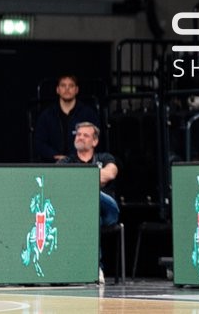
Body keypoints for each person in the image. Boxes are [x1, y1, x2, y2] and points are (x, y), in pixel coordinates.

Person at [58, 121, 119, 284]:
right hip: (81, 214)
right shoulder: (66, 162)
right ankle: (94, 268)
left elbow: (110, 174)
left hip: (108, 210)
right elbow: (59, 182)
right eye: (78, 134)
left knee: (93, 195)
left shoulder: (105, 158)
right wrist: (93, 180)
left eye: (86, 135)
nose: (81, 137)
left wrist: (79, 183)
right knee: (92, 217)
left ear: (95, 141)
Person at [33, 75, 100, 162]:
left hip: (82, 163)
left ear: (76, 90)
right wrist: (55, 155)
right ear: (57, 90)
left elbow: (95, 139)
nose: (67, 89)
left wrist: (73, 158)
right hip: (53, 163)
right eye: (63, 85)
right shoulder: (47, 115)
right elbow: (39, 142)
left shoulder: (88, 114)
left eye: (71, 86)